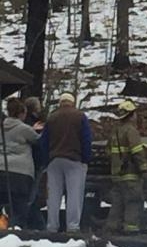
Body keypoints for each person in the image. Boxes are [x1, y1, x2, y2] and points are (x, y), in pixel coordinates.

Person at [40, 92, 92, 234]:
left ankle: (52, 226)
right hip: (74, 160)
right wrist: (86, 159)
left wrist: (46, 161)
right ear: (72, 102)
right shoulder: (80, 116)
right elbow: (86, 140)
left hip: (54, 160)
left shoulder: (52, 118)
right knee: (74, 194)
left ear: (60, 103)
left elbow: (43, 142)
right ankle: (73, 227)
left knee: (53, 196)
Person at [104, 100, 147, 234]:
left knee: (117, 203)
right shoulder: (131, 131)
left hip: (117, 175)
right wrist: (143, 168)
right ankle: (131, 231)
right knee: (133, 202)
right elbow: (137, 151)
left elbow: (108, 152)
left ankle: (112, 229)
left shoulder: (115, 132)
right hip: (130, 174)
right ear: (131, 115)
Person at [0, 98, 42, 228]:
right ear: (21, 113)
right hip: (20, 173)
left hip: (1, 168)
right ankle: (17, 234)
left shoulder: (1, 127)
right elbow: (38, 141)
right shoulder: (24, 129)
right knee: (19, 208)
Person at [23, 96, 46, 230]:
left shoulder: (26, 122)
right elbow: (38, 142)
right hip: (34, 162)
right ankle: (34, 223)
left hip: (31, 162)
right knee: (31, 195)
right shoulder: (32, 124)